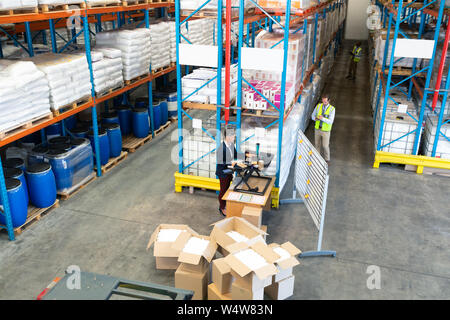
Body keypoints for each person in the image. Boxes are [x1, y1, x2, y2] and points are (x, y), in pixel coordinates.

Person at [215, 127, 249, 217]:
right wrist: (232, 163)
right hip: (223, 173)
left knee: (228, 188)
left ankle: (226, 204)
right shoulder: (221, 149)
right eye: (233, 136)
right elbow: (222, 162)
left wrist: (245, 155)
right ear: (228, 137)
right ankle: (222, 207)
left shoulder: (230, 145)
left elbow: (235, 155)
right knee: (223, 190)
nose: (234, 138)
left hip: (229, 172)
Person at [311, 94, 335, 164]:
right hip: (317, 129)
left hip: (326, 131)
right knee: (317, 144)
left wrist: (323, 118)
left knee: (325, 145)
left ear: (329, 101)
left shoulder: (332, 109)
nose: (324, 103)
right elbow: (312, 115)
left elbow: (331, 121)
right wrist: (315, 118)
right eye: (323, 101)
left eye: (325, 102)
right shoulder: (318, 106)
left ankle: (327, 159)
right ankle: (317, 158)